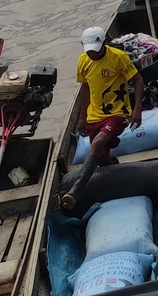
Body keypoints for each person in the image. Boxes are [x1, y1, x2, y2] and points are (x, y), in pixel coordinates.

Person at [59, 26, 144, 211]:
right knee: (103, 159)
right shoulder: (83, 61)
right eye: (88, 50)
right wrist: (82, 118)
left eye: (95, 51)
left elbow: (138, 80)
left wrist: (137, 109)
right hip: (94, 115)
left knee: (97, 144)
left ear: (104, 43)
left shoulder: (118, 58)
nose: (91, 54)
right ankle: (118, 176)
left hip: (117, 113)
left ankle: (75, 191)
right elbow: (85, 88)